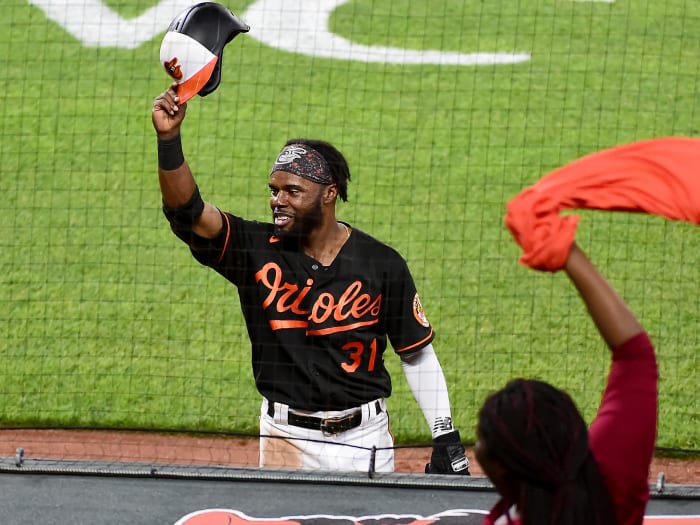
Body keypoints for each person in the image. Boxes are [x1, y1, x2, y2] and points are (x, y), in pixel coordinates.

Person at [151, 82, 470, 474]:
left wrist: (444, 434)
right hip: (286, 440)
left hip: (365, 440)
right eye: (273, 190)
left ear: (329, 194)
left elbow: (416, 352)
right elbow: (188, 211)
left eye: (292, 191)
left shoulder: (380, 264)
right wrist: (169, 139)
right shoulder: (254, 249)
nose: (277, 200)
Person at [476, 242, 658, 525]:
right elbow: (635, 354)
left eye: (482, 439)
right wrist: (567, 251)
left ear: (502, 468)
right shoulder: (612, 477)